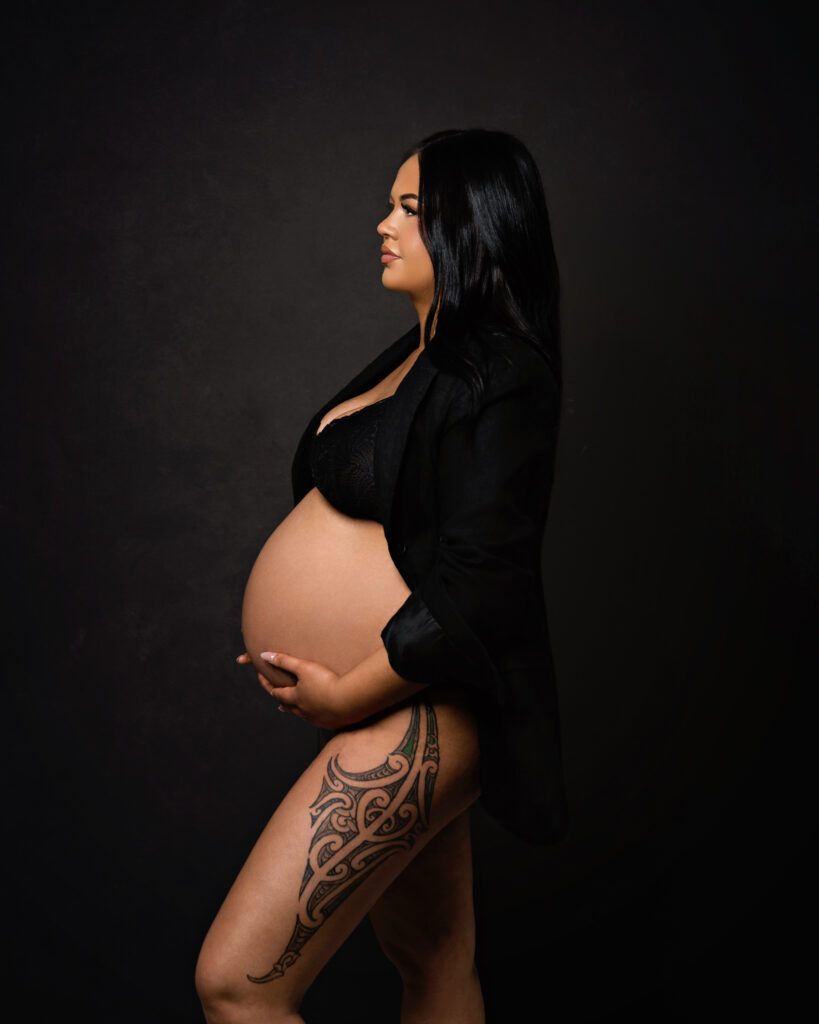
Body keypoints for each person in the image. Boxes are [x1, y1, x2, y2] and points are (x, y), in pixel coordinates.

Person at [195, 128, 570, 1024]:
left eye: (410, 206)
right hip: (389, 706)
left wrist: (347, 693)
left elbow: (485, 580)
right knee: (434, 962)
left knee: (237, 987)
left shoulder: (505, 374)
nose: (383, 224)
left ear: (472, 224)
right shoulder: (414, 359)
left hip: (417, 711)